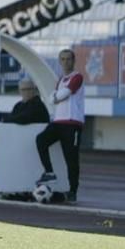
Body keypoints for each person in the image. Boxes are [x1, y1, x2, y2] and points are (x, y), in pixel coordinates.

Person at [34, 49, 84, 202]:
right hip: (58, 122)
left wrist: (56, 96)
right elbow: (51, 98)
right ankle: (49, 172)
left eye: (68, 59)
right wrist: (56, 96)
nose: (66, 62)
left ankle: (73, 191)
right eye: (62, 59)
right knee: (41, 140)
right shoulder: (61, 79)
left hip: (72, 123)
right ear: (59, 61)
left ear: (73, 61)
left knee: (71, 159)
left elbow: (61, 95)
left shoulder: (77, 77)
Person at [0, 78, 50, 185]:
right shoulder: (18, 105)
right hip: (16, 139)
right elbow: (12, 119)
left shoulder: (38, 105)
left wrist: (8, 119)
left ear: (34, 90)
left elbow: (24, 118)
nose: (26, 92)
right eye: (23, 90)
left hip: (28, 142)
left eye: (28, 89)